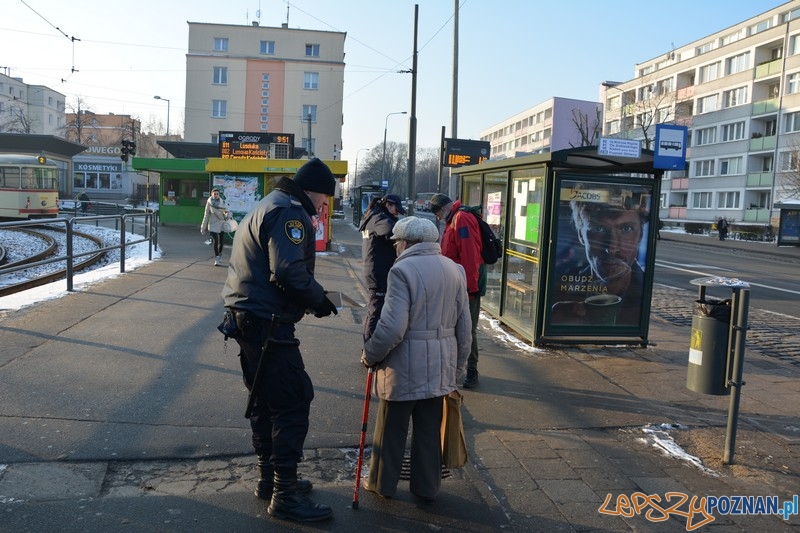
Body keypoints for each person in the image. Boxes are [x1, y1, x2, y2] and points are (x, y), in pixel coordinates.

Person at [221, 158, 339, 523]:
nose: (323, 208)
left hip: (247, 319)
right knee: (292, 402)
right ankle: (285, 495)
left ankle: (270, 479)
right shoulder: (290, 214)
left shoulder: (266, 204)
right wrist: (320, 300)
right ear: (315, 190)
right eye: (324, 200)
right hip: (267, 324)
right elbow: (288, 271)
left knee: (265, 400)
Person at [360, 216, 471, 503]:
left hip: (403, 367)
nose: (396, 248)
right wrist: (457, 368)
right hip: (440, 366)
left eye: (397, 243)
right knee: (429, 430)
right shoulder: (455, 270)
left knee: (391, 429)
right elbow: (465, 328)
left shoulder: (402, 270)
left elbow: (393, 327)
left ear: (406, 243)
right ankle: (427, 487)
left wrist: (370, 354)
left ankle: (382, 484)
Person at [550, 184, 649, 327]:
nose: (612, 248)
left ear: (640, 235)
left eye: (626, 229)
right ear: (581, 235)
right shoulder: (560, 286)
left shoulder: (642, 294)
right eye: (598, 229)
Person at [430, 193, 484, 389]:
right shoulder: (453, 220)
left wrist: (470, 287)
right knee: (458, 327)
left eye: (437, 215)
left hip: (467, 286)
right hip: (458, 284)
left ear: (443, 209)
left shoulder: (461, 219)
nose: (438, 219)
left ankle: (472, 371)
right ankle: (459, 368)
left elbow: (470, 255)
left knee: (467, 328)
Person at [358, 193, 406, 340]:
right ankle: (369, 351)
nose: (397, 212)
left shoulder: (371, 216)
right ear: (388, 205)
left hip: (374, 270)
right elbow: (390, 232)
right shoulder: (380, 219)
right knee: (376, 312)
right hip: (378, 272)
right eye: (395, 209)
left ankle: (370, 349)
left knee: (375, 311)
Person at [201, 188, 230, 266]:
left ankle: (220, 255)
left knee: (221, 241)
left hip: (221, 223)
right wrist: (203, 227)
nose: (216, 195)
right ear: (211, 194)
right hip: (213, 224)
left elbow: (227, 210)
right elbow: (206, 215)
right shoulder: (209, 203)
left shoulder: (222, 202)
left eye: (217, 194)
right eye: (215, 194)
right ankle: (217, 257)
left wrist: (227, 215)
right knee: (215, 241)